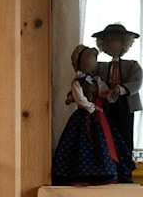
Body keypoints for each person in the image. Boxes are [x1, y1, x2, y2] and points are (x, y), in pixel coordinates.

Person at [50, 44, 119, 186]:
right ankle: (78, 174)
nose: (92, 63)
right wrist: (92, 108)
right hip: (84, 115)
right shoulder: (78, 82)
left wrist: (109, 94)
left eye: (93, 60)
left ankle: (102, 173)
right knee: (80, 142)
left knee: (100, 143)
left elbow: (103, 91)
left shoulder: (96, 80)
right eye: (89, 60)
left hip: (97, 116)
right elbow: (80, 99)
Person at [93, 22, 142, 182]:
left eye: (117, 40)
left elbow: (136, 82)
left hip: (125, 105)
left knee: (125, 137)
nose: (113, 44)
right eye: (109, 41)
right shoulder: (100, 66)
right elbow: (92, 80)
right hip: (105, 105)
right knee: (106, 136)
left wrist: (121, 89)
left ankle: (125, 171)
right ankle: (109, 170)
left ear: (124, 43)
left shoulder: (132, 65)